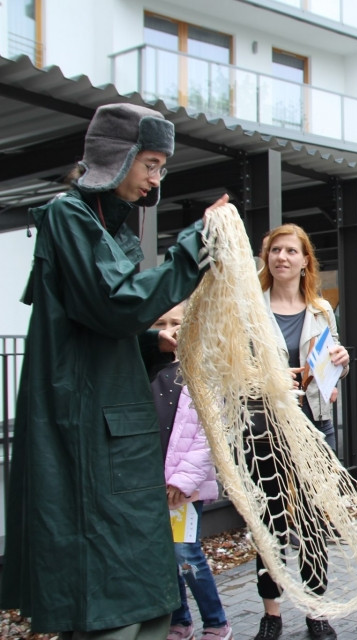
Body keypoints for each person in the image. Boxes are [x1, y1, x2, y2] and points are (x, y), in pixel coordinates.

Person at [0, 102, 228, 638]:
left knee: (146, 601)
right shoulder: (69, 217)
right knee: (108, 604)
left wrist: (153, 345)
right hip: (87, 439)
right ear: (116, 157)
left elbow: (99, 330)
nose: (156, 178)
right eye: (150, 163)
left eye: (161, 167)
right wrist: (195, 244)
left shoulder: (107, 228)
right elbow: (113, 305)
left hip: (117, 438)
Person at [250, 223, 351, 640]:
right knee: (269, 520)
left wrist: (341, 362)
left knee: (312, 520)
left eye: (291, 251)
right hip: (264, 425)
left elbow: (330, 366)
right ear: (267, 258)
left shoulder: (322, 310)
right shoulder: (250, 309)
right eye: (275, 250)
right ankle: (271, 614)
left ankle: (315, 609)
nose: (283, 258)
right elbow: (236, 369)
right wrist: (272, 377)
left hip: (313, 424)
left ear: (305, 260)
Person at [151, 303, 233, 640]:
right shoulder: (148, 368)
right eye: (161, 323)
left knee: (184, 552)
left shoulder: (204, 371)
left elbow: (208, 436)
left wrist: (182, 481)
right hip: (151, 483)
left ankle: (215, 622)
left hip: (184, 486)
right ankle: (179, 620)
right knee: (162, 555)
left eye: (177, 323)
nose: (170, 329)